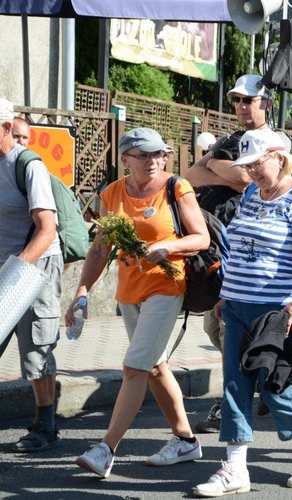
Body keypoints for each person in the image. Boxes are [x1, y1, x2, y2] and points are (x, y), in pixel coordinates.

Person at [194, 130, 292, 495]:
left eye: (256, 164)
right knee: (235, 386)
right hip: (238, 305)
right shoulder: (253, 192)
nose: (250, 172)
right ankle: (235, 468)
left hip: (279, 311)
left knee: (277, 389)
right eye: (247, 166)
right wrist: (226, 294)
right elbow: (238, 248)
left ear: (279, 159)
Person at [71, 128, 209, 477]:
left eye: (159, 154)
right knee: (155, 368)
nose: (153, 161)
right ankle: (186, 440)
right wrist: (82, 290)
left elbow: (201, 237)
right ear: (125, 159)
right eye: (144, 155)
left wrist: (170, 247)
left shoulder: (176, 187)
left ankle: (106, 449)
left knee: (134, 368)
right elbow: (101, 247)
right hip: (129, 293)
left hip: (167, 285)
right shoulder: (112, 193)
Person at [185, 74, 277, 433]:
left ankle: (234, 399)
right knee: (214, 324)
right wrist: (219, 168)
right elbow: (190, 175)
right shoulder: (230, 140)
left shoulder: (271, 141)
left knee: (227, 327)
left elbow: (244, 181)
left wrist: (213, 166)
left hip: (247, 243)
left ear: (265, 103)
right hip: (218, 240)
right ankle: (264, 382)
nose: (241, 106)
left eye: (248, 100)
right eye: (237, 100)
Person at [0, 99, 63, 453]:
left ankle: (45, 426)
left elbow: (47, 229)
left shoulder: (28, 166)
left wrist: (15, 272)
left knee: (37, 349)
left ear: (7, 128)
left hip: (33, 264)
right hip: (3, 264)